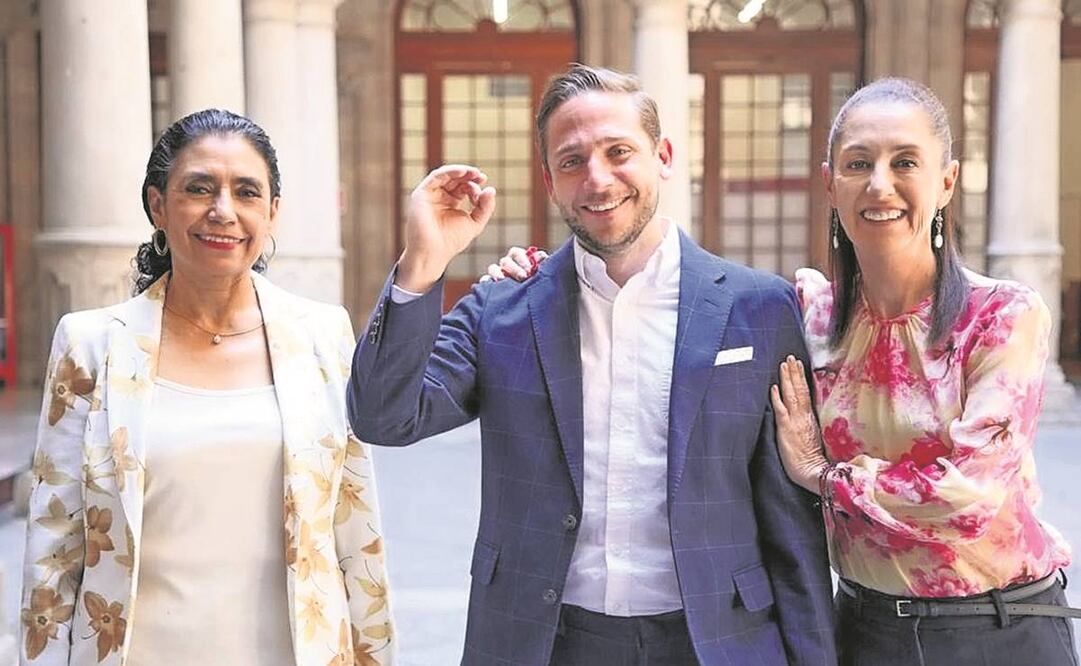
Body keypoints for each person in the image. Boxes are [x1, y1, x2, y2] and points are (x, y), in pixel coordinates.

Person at [347, 64, 835, 665]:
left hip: (716, 639)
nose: (598, 179)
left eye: (619, 151)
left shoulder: (758, 307)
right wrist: (423, 262)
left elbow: (792, 525)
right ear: (550, 181)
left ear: (663, 155)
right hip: (547, 641)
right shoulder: (502, 310)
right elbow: (383, 417)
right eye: (572, 161)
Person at [20, 109, 393, 666]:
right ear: (158, 205)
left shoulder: (323, 336)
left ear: (272, 212)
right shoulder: (90, 345)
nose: (223, 211)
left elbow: (356, 532)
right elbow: (53, 551)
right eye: (199, 188)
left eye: (246, 192)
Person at [768, 78, 1078, 665]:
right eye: (858, 163)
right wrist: (549, 272)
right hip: (863, 628)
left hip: (995, 630)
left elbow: (966, 498)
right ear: (830, 184)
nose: (879, 184)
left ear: (946, 181)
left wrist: (822, 474)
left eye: (904, 161)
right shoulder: (809, 314)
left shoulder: (1000, 318)